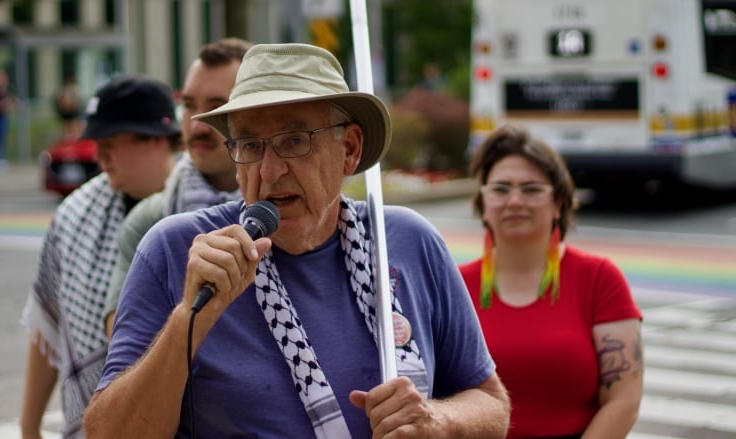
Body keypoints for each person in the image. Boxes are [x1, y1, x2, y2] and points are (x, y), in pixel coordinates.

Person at [84, 43, 510, 438]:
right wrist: (187, 321)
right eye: (249, 144)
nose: (269, 171)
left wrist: (437, 421)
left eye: (294, 141)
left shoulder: (407, 241)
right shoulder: (176, 250)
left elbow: (490, 402)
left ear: (350, 149)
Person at [20, 75, 181, 439]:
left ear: (156, 139)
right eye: (97, 144)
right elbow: (49, 320)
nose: (100, 156)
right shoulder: (75, 215)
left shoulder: (198, 208)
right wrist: (29, 427)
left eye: (110, 143)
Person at [458, 123, 644, 438]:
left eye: (531, 189)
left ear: (559, 203)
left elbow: (623, 400)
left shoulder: (599, 278)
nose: (514, 201)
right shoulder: (454, 285)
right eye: (500, 189)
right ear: (483, 205)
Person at [102, 37, 252, 339]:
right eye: (188, 105)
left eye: (217, 107)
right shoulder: (150, 220)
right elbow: (122, 338)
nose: (196, 125)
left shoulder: (289, 212)